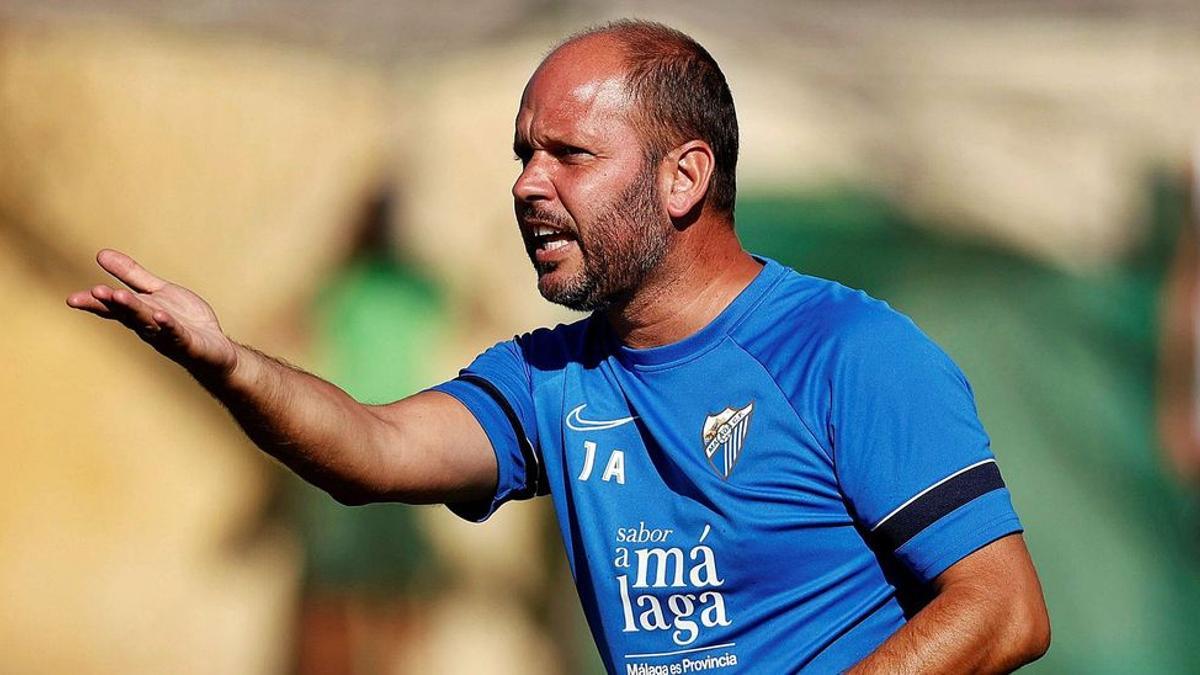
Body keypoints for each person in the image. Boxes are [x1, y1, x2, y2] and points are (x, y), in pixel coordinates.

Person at [67, 19, 1050, 673]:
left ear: (685, 177)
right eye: (522, 155)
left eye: (569, 154)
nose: (529, 185)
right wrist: (230, 363)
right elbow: (372, 451)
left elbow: (1004, 610)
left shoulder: (849, 350)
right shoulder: (551, 379)